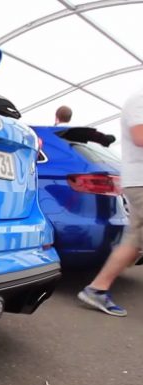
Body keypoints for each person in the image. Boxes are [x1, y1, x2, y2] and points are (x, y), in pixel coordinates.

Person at [78, 87, 143, 316]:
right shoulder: (140, 98)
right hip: (141, 181)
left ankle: (96, 289)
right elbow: (140, 136)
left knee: (134, 241)